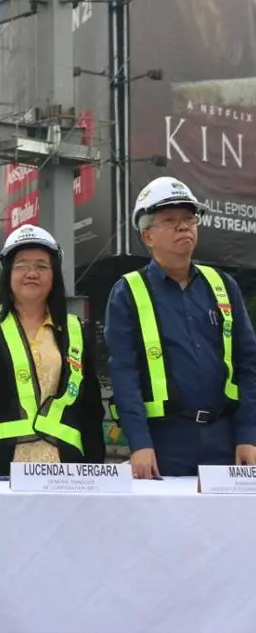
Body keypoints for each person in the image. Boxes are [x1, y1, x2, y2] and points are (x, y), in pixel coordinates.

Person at [105, 176, 256, 478]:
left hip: (224, 438)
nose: (184, 226)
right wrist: (140, 443)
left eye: (189, 218)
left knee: (227, 525)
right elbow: (125, 373)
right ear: (147, 235)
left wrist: (248, 434)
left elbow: (248, 364)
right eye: (170, 220)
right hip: (164, 442)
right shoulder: (128, 292)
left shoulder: (223, 286)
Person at [0, 225, 106, 476]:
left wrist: (95, 472)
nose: (32, 273)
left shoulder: (75, 330)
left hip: (66, 469)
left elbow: (90, 410)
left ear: (54, 275)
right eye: (22, 265)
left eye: (42, 266)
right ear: (8, 274)